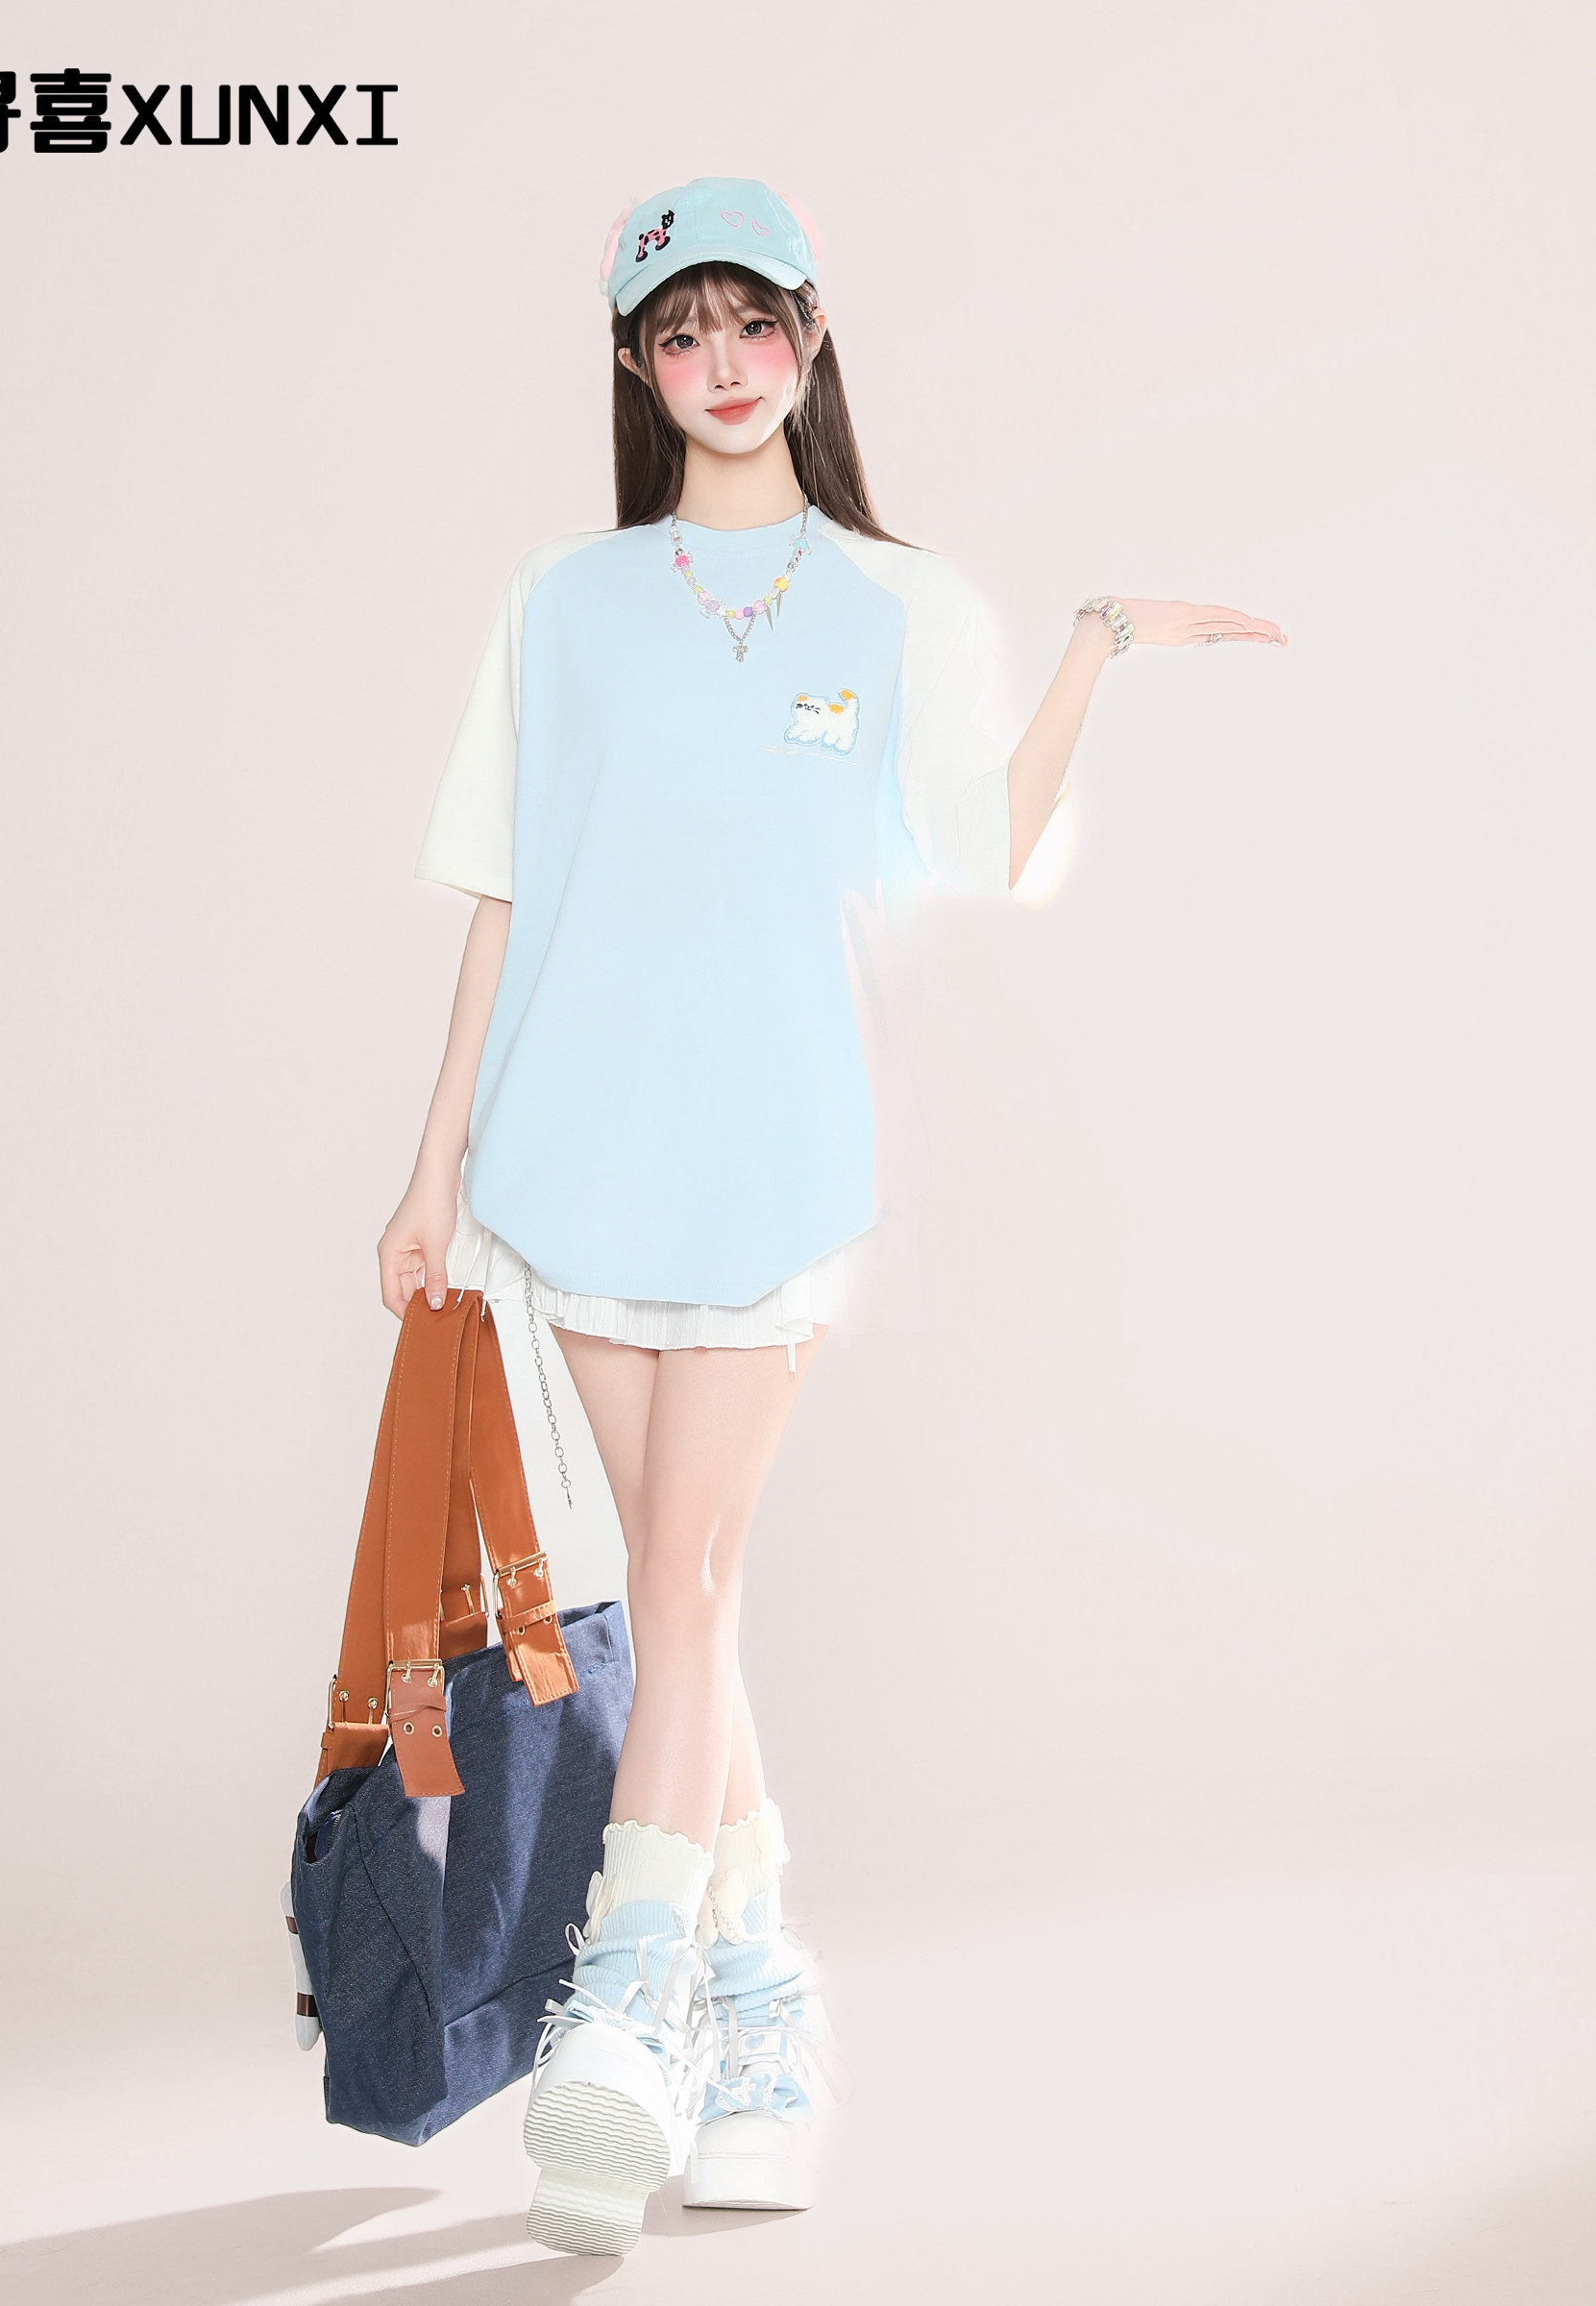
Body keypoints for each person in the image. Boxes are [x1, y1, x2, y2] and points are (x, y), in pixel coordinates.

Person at [377, 175, 1285, 2259]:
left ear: (810, 339)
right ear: (636, 366)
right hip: (569, 1147)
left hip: (776, 1152)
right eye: (681, 332)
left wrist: (1091, 647)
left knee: (689, 1579)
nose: (723, 364)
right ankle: (764, 2019)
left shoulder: (897, 606)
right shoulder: (561, 603)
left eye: (753, 323)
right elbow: (501, 892)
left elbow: (979, 844)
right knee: (683, 1594)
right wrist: (430, 1171)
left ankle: (629, 2014)